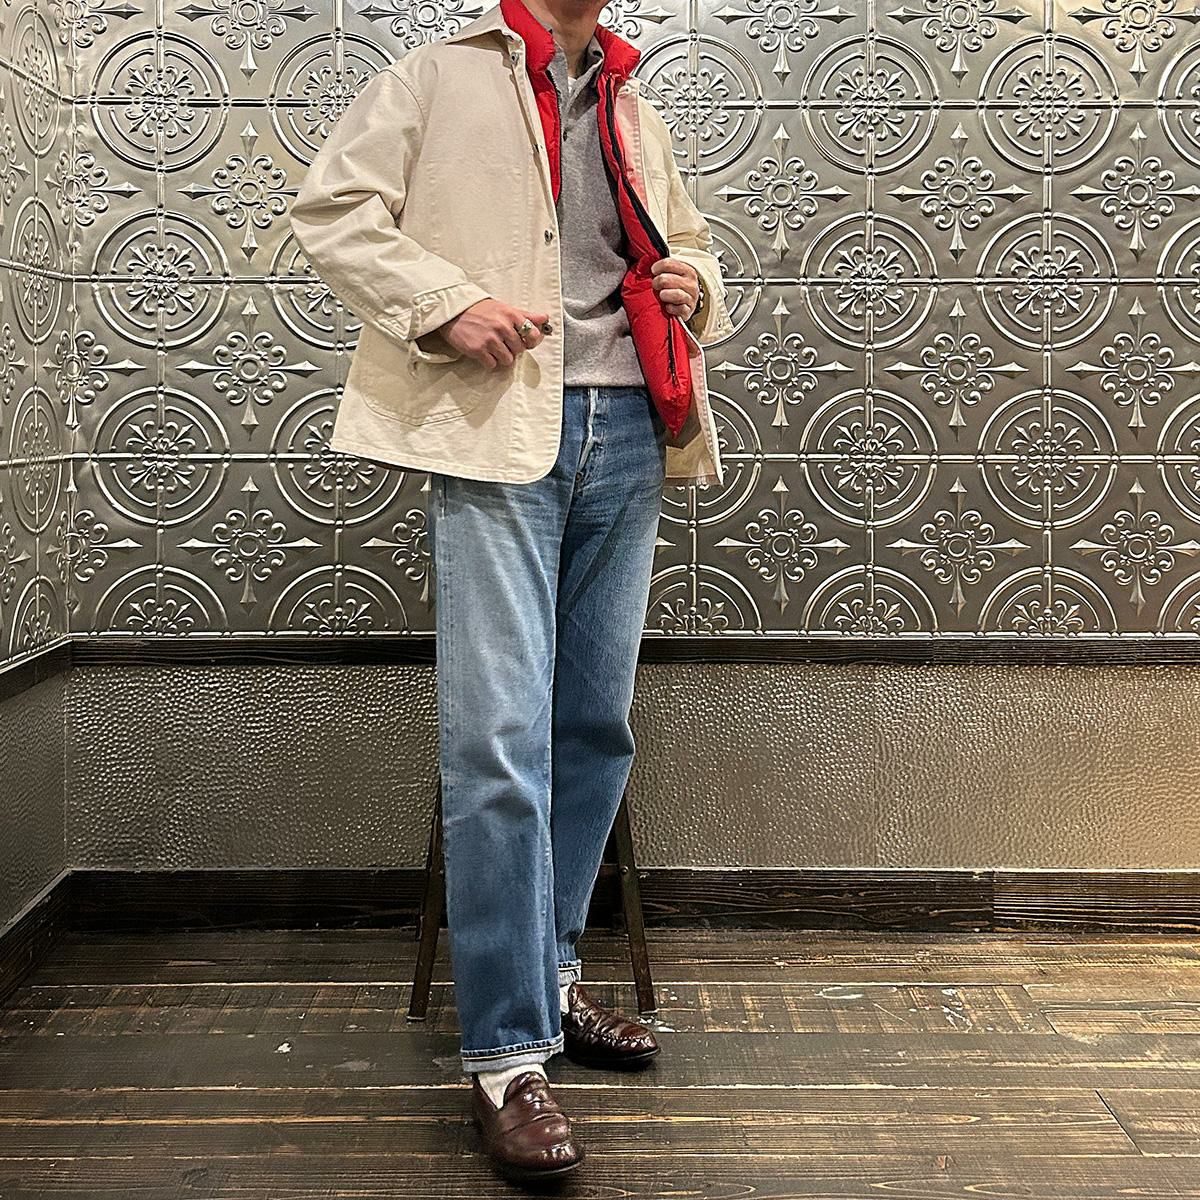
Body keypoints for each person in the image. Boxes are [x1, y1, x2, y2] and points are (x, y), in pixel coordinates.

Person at [290, 0, 732, 1183]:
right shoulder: (435, 78)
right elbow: (333, 209)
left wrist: (692, 279)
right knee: (495, 740)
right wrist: (446, 303)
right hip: (500, 433)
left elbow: (692, 241)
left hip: (631, 427)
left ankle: (554, 974)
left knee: (591, 725)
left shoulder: (631, 98)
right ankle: (503, 1057)